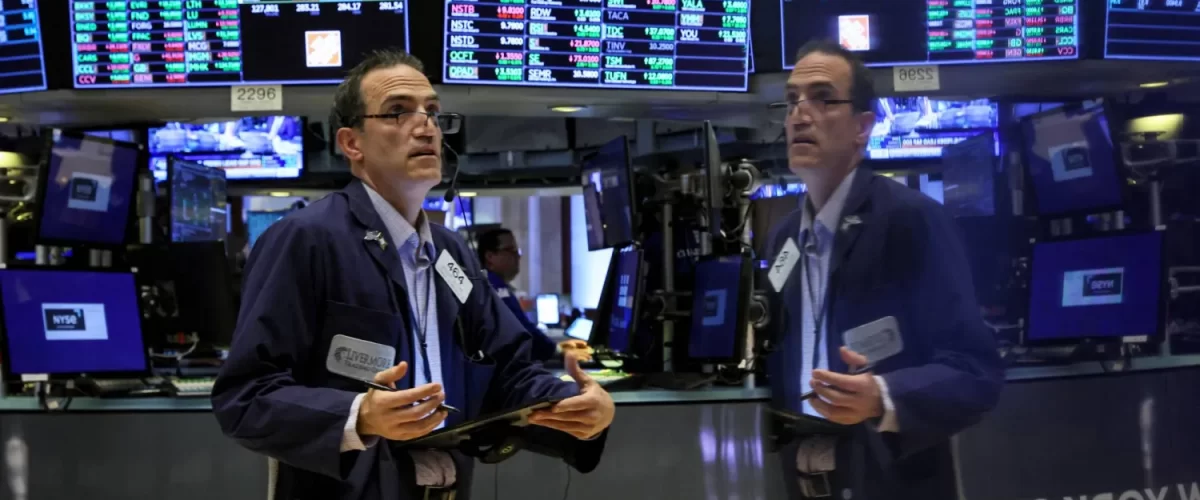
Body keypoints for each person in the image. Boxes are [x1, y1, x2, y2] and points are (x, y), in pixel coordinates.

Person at [211, 49, 614, 500]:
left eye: (433, 112)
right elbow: (245, 395)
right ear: (352, 143)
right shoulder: (306, 239)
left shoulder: (450, 252)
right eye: (398, 112)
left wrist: (573, 403)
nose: (425, 127)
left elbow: (507, 373)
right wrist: (359, 415)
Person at [764, 40, 1004, 500]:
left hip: (891, 480)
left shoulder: (910, 220)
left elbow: (976, 372)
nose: (800, 114)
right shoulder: (785, 238)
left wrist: (883, 394)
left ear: (863, 126)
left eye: (822, 98)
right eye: (792, 100)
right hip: (807, 476)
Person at [476, 227, 589, 361]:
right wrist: (556, 351)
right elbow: (521, 329)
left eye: (517, 251)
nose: (518, 256)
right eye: (511, 250)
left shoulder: (489, 284)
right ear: (490, 257)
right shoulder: (495, 287)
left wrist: (556, 347)